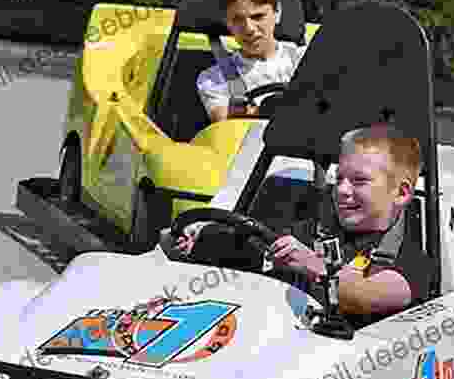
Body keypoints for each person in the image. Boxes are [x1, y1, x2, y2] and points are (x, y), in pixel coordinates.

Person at [173, 124, 435, 326]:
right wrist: (196, 240)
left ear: (401, 193)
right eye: (340, 178)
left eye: (359, 181)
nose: (342, 190)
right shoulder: (308, 232)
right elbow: (249, 248)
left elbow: (364, 295)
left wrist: (312, 265)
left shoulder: (412, 262)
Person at [196, 0, 306, 124]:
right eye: (237, 20)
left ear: (277, 13)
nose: (249, 29)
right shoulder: (213, 80)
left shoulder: (304, 60)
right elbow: (224, 124)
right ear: (226, 22)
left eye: (258, 16)